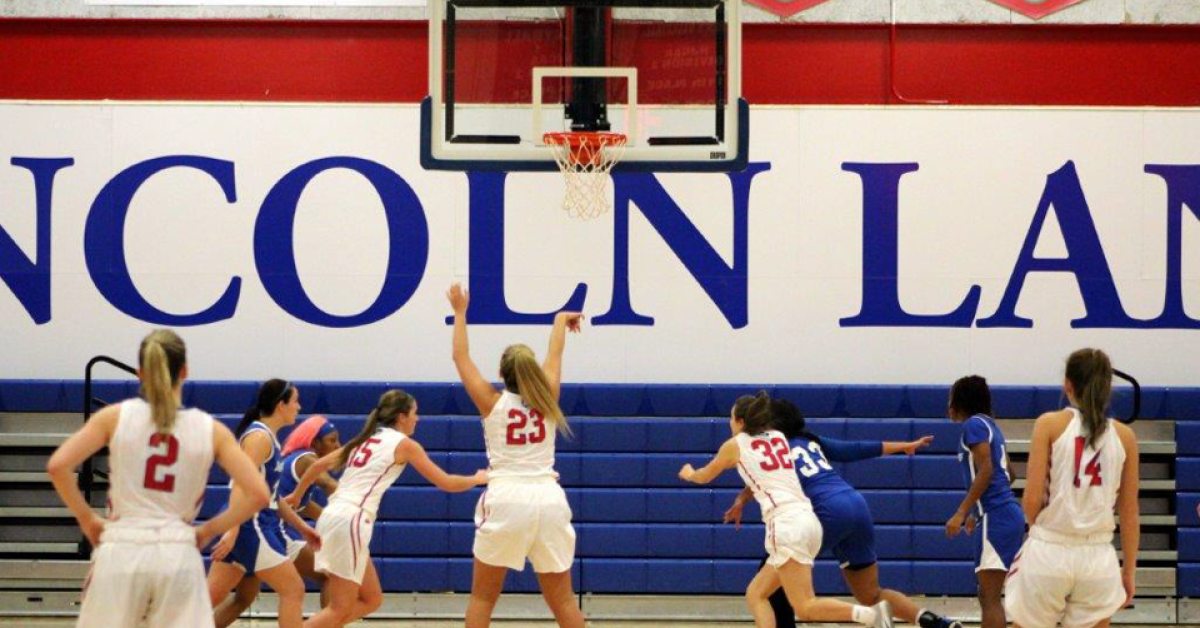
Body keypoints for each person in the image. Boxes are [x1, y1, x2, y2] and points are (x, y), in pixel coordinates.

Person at [46, 329, 270, 628]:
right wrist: (208, 531)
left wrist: (87, 520)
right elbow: (259, 494)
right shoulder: (210, 429)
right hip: (177, 551)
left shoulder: (114, 417)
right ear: (185, 371)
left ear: (140, 373)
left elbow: (58, 466)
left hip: (122, 547)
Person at [724, 399, 959, 628]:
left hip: (826, 512)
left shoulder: (772, 448)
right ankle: (934, 622)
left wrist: (741, 499)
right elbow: (854, 449)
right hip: (856, 506)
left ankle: (866, 617)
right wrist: (904, 446)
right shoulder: (810, 441)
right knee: (870, 594)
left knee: (768, 585)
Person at [680, 392, 893, 628]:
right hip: (809, 521)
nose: (729, 424)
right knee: (756, 594)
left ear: (740, 421)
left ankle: (871, 615)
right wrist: (742, 499)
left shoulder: (735, 445)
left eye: (730, 418)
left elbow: (704, 476)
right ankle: (871, 615)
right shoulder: (778, 437)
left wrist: (689, 472)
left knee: (805, 606)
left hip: (786, 525)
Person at [286, 389, 488, 628]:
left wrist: (297, 495)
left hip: (335, 516)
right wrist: (477, 478)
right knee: (339, 609)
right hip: (351, 519)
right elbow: (446, 482)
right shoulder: (404, 444)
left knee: (372, 599)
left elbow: (317, 465)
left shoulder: (365, 438)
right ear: (401, 417)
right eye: (415, 413)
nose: (417, 419)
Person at [446, 283, 586, 628]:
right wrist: (560, 320)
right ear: (532, 372)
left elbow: (460, 358)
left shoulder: (491, 402)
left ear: (501, 374)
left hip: (507, 496)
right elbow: (555, 355)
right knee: (564, 601)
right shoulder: (548, 396)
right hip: (548, 498)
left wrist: (460, 312)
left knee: (482, 599)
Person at [1005, 349, 1140, 628]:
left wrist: (1047, 531)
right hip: (1098, 559)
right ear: (1106, 388)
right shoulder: (1126, 436)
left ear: (1068, 384)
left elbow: (1031, 502)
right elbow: (1129, 513)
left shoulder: (1048, 424)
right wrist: (1128, 571)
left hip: (1049, 551)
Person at [207, 379, 320, 628]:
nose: (299, 407)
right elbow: (240, 484)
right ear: (281, 405)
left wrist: (302, 527)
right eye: (295, 401)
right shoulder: (259, 438)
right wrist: (233, 530)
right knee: (293, 590)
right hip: (250, 525)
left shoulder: (267, 437)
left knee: (205, 601)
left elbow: (272, 496)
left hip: (246, 523)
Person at [213, 415, 341, 627]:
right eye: (332, 440)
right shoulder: (306, 458)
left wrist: (321, 522)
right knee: (324, 577)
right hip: (266, 529)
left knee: (241, 598)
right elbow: (329, 485)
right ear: (315, 442)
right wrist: (351, 507)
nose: (337, 445)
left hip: (253, 525)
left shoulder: (288, 456)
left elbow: (295, 503)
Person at [945, 375, 1025, 628]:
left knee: (989, 597)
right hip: (1005, 514)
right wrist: (974, 512)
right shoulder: (991, 426)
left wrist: (961, 512)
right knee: (992, 594)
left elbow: (987, 470)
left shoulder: (973, 425)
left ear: (959, 402)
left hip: (996, 516)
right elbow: (1009, 473)